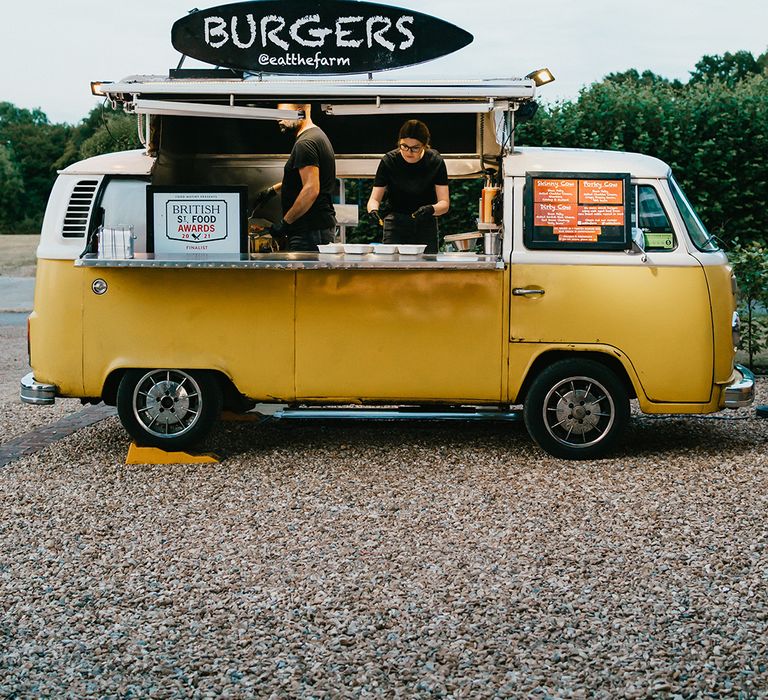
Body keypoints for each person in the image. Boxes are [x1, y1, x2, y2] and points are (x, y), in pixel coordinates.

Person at [252, 103, 337, 251]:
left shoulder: (305, 144)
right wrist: (273, 190)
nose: (278, 120)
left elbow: (311, 189)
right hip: (316, 227)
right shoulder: (317, 136)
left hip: (308, 230)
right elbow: (303, 180)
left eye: (282, 114)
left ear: (300, 112)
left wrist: (284, 224)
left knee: (304, 275)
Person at [366, 119, 449, 253]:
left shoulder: (435, 161)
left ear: (424, 145)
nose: (409, 152)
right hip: (395, 224)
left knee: (426, 269)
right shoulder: (389, 161)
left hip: (425, 224)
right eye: (404, 146)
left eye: (415, 148)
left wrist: (431, 209)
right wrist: (373, 211)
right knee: (393, 268)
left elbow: (444, 203)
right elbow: (374, 199)